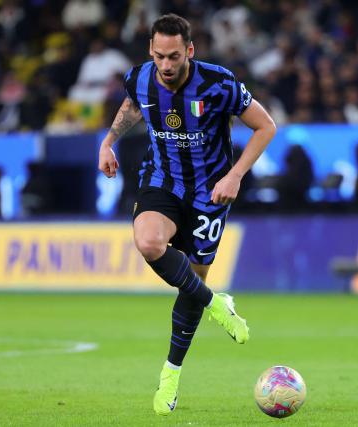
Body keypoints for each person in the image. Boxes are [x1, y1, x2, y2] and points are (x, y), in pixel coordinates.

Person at [97, 14, 276, 416]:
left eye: (174, 56)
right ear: (150, 52)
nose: (166, 65)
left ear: (189, 51)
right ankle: (217, 303)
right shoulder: (140, 78)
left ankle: (171, 375)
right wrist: (108, 141)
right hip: (162, 181)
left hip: (210, 194)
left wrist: (235, 175)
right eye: (159, 56)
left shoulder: (219, 83)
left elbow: (266, 127)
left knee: (190, 287)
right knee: (148, 242)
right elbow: (131, 107)